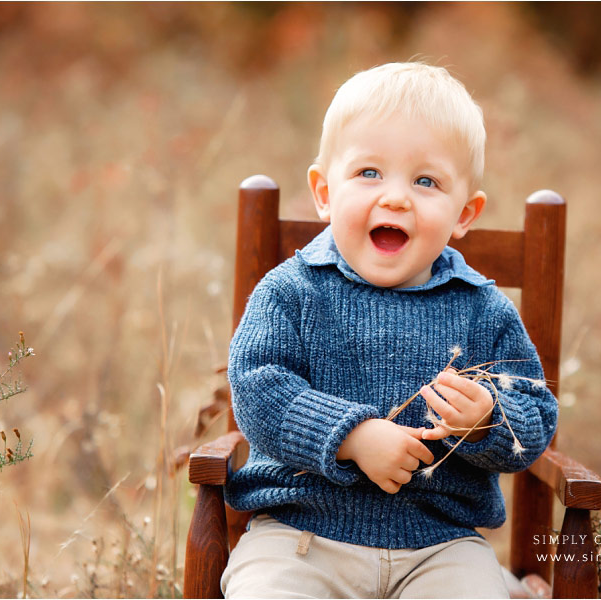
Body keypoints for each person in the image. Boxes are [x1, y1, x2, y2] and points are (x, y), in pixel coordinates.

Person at [221, 62, 558, 598]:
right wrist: (352, 436)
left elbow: (536, 414)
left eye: (426, 181)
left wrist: (487, 419)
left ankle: (499, 586)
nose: (396, 198)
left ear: (464, 213)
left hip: (441, 549)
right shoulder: (293, 291)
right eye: (369, 173)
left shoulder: (482, 309)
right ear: (324, 192)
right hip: (301, 539)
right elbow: (258, 390)